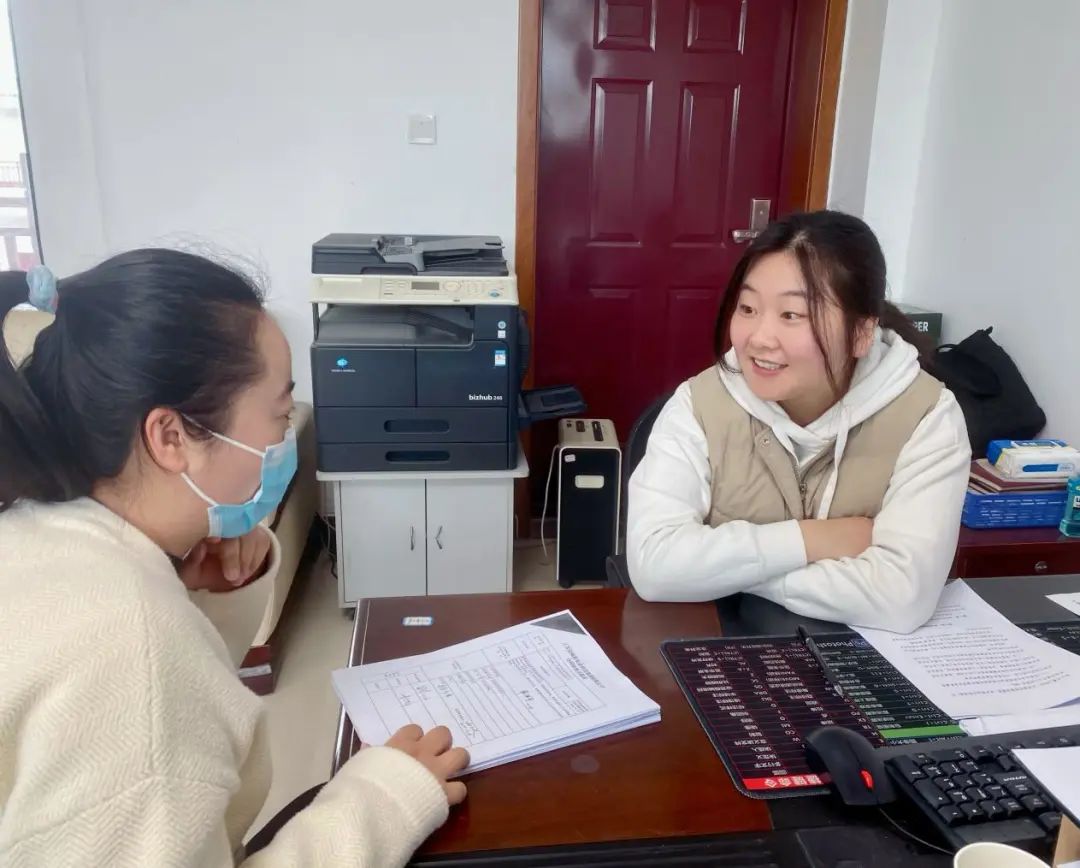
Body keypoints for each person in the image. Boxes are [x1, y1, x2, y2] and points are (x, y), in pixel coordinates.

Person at [0, 251, 468, 866]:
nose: (285, 438)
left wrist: (187, 582)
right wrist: (385, 800)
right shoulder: (130, 641)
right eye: (279, 414)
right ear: (171, 437)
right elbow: (152, 696)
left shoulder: (36, 530)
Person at [626, 211, 971, 632]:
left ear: (861, 333)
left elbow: (902, 597)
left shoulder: (926, 416)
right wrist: (812, 540)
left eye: (791, 315)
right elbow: (653, 565)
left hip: (856, 658)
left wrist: (724, 573)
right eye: (748, 308)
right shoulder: (698, 405)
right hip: (722, 647)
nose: (758, 338)